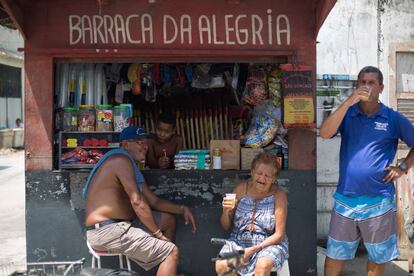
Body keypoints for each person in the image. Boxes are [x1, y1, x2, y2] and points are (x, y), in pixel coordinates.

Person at [320, 66, 414, 276]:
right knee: (335, 254)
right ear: (356, 86)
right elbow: (325, 133)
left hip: (378, 200)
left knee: (376, 257)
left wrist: (403, 167)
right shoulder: (348, 113)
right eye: (362, 82)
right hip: (346, 198)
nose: (366, 86)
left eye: (371, 82)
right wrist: (348, 101)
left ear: (381, 87)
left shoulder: (392, 118)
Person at [84, 126, 197, 275]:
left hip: (122, 226)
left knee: (169, 220)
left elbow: (153, 201)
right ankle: (167, 257)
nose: (145, 146)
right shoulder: (120, 160)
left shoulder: (130, 166)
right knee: (171, 251)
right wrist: (158, 234)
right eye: (139, 142)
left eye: (146, 143)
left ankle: (166, 268)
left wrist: (182, 209)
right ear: (125, 145)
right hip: (107, 230)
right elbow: (137, 202)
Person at [215, 153, 289, 276]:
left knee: (263, 265)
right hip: (238, 241)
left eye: (267, 176)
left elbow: (279, 235)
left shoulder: (279, 195)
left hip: (268, 244)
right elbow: (226, 226)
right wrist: (225, 212)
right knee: (222, 265)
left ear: (274, 178)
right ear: (252, 172)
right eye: (259, 174)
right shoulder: (240, 189)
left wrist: (254, 249)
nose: (262, 178)